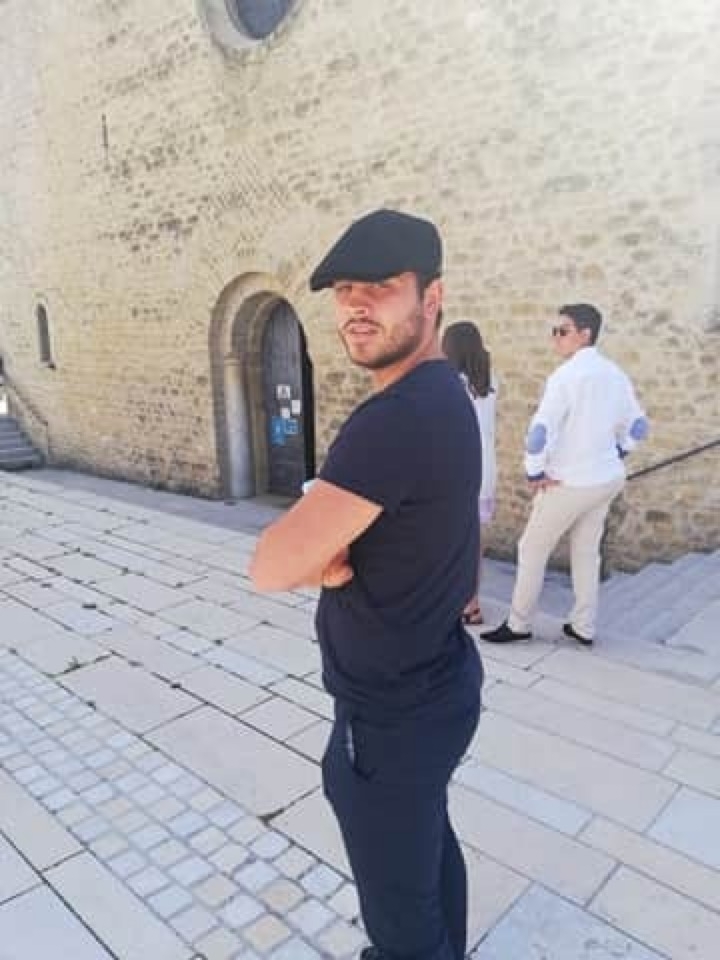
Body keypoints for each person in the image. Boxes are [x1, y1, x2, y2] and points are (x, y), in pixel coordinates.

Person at [250, 209, 483, 960]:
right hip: (435, 686)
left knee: (401, 920)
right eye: (345, 290)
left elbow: (269, 566)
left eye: (380, 287)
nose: (356, 305)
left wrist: (321, 557)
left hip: (390, 718)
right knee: (427, 853)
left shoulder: (396, 419)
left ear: (431, 297)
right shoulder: (446, 394)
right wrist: (331, 548)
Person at [483, 303, 648, 646]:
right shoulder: (615, 374)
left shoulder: (566, 377)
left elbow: (539, 433)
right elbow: (638, 425)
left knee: (531, 548)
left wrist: (534, 472)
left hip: (569, 482)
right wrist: (620, 451)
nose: (555, 338)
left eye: (562, 331)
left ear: (585, 334)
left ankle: (519, 624)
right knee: (586, 551)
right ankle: (583, 625)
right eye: (554, 331)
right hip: (606, 478)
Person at [442, 322, 497, 625]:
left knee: (447, 542)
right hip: (484, 469)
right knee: (472, 543)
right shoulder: (489, 382)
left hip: (457, 470)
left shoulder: (449, 385)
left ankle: (449, 599)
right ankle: (471, 603)